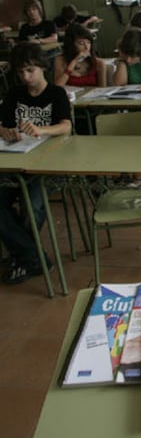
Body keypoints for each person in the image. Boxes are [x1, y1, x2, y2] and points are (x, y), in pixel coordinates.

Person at [0, 42, 72, 285]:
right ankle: (32, 257)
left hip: (52, 165)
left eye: (30, 70)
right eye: (20, 72)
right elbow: (4, 124)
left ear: (42, 67)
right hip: (17, 162)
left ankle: (23, 257)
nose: (25, 76)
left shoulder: (56, 93)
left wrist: (41, 129)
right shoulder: (13, 94)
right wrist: (6, 131)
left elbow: (66, 126)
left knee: (33, 202)